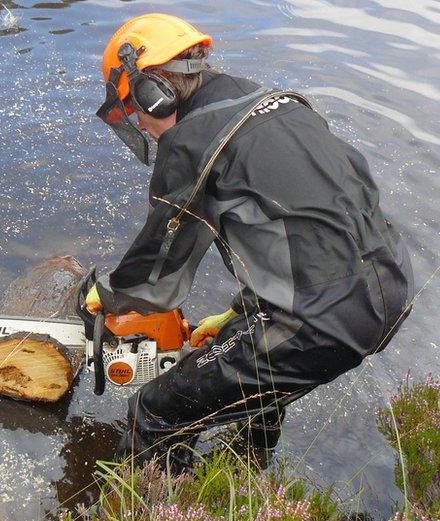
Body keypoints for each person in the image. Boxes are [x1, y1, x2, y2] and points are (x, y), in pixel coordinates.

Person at [84, 13, 414, 470]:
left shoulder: (191, 142)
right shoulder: (274, 104)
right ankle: (244, 474)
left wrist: (111, 295)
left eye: (135, 113)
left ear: (152, 94)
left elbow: (159, 269)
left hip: (322, 319)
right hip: (390, 284)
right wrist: (242, 311)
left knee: (155, 409)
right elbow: (303, 228)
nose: (140, 126)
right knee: (248, 367)